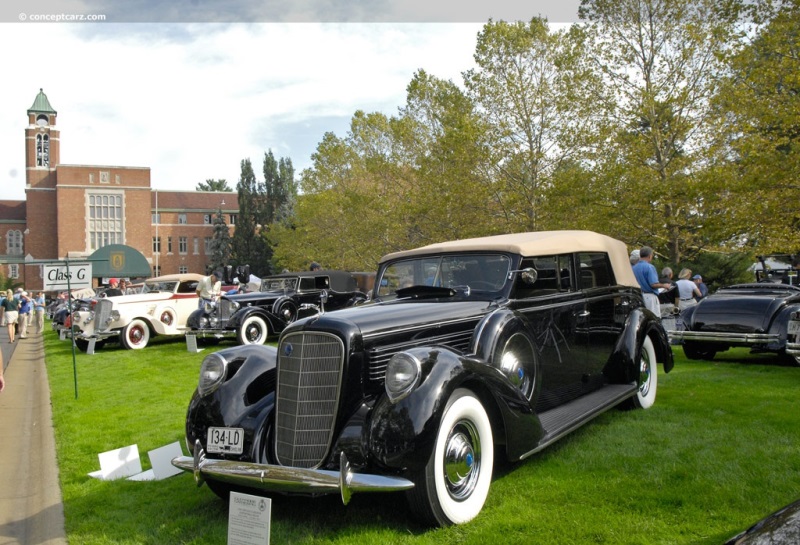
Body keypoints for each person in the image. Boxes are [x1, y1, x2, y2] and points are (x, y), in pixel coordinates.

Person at [632, 246, 672, 317]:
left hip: (638, 297)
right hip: (649, 297)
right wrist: (664, 285)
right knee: (653, 318)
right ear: (650, 256)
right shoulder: (650, 267)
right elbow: (653, 284)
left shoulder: (633, 268)